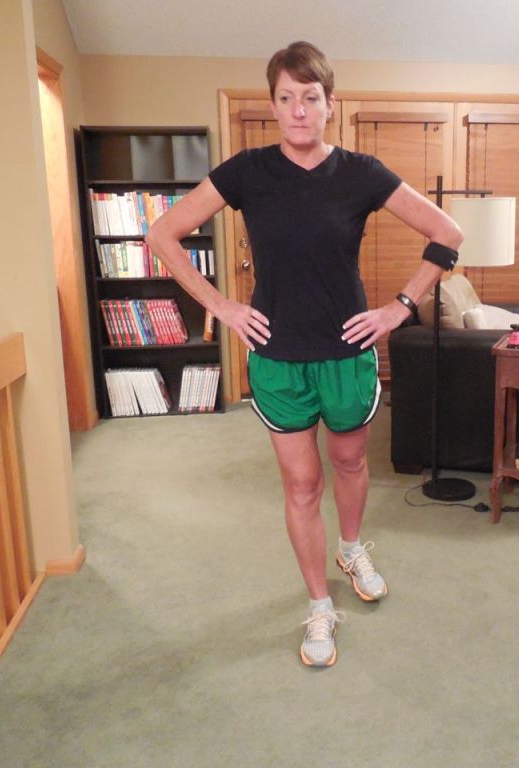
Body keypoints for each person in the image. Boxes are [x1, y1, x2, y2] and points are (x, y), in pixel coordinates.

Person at [145, 41, 463, 668]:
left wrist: (399, 308)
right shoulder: (247, 172)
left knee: (350, 462)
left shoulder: (362, 173)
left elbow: (446, 233)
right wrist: (222, 306)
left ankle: (351, 547)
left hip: (348, 352)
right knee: (302, 484)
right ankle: (320, 605)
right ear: (273, 106)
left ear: (329, 105)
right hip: (278, 356)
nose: (298, 110)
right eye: (286, 98)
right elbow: (163, 234)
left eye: (310, 98)